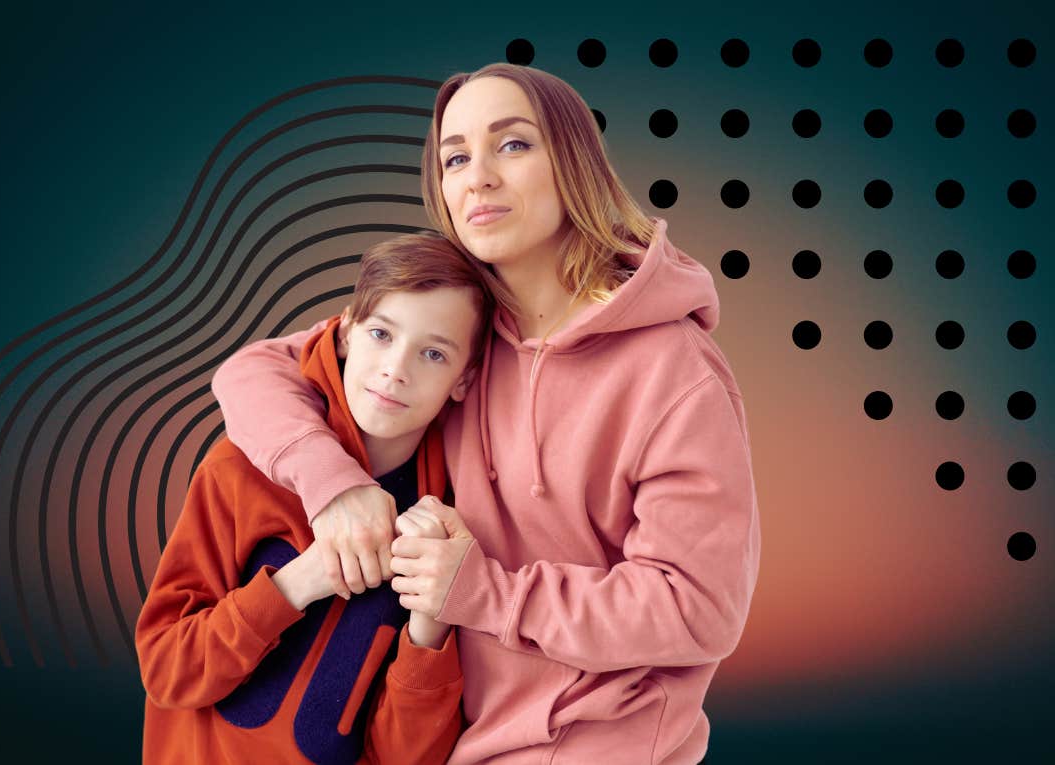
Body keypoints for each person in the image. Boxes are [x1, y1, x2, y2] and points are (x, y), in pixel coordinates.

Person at [211, 63, 761, 764]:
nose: (479, 177)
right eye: (455, 157)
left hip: (603, 743)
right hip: (449, 741)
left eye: (513, 145)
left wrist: (488, 592)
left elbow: (697, 605)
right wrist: (336, 486)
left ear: (574, 163)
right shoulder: (452, 332)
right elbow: (253, 370)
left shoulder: (675, 369)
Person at [136, 232, 494, 764]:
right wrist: (298, 582)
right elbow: (168, 671)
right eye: (380, 334)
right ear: (345, 330)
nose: (396, 369)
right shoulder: (238, 468)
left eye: (433, 353)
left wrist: (430, 627)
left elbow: (405, 757)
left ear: (463, 380)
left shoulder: (448, 525)